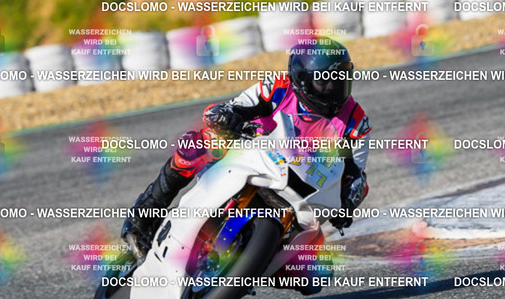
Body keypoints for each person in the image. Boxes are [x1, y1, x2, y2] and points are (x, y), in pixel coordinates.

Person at [121, 37, 372, 241]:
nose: (335, 88)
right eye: (325, 81)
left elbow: (355, 176)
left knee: (313, 272)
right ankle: (148, 210)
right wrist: (224, 116)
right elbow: (233, 107)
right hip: (254, 155)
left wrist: (349, 202)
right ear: (302, 80)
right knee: (198, 143)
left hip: (303, 187)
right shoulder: (276, 87)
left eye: (342, 78)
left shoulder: (356, 121)